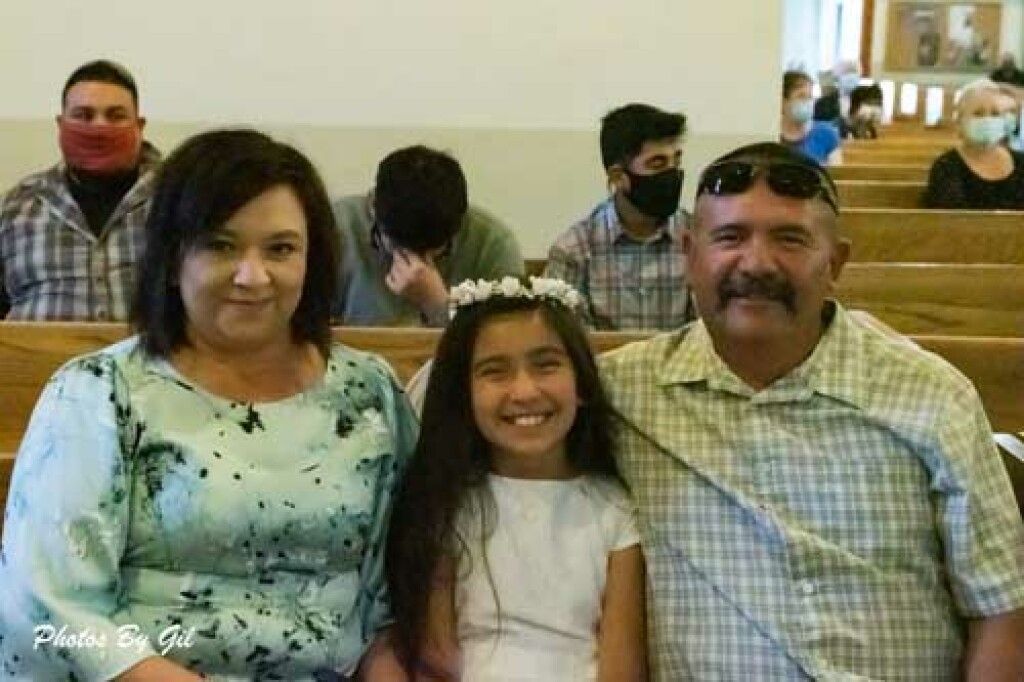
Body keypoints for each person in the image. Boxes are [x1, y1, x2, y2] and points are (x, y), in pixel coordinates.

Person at [0, 130, 418, 681]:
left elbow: (400, 590)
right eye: (220, 245)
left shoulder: (370, 394)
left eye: (281, 248)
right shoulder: (99, 393)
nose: (252, 275)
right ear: (172, 257)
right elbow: (49, 609)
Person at [600, 142, 1024, 680]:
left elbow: (1000, 610)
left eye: (790, 240)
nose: (755, 264)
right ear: (689, 256)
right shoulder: (623, 393)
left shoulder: (931, 396)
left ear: (836, 263)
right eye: (729, 237)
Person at [385, 276, 646, 681]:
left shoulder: (614, 509)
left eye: (546, 365)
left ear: (581, 383)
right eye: (495, 371)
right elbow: (436, 658)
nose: (524, 391)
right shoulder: (448, 503)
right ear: (464, 392)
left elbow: (622, 668)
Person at [0, 59, 160, 320]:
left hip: (151, 360)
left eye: (115, 116)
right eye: (83, 115)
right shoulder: (15, 206)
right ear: (60, 124)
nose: (99, 127)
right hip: (36, 360)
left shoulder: (181, 198)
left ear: (139, 126)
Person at [332, 146, 524, 327]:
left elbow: (507, 341)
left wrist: (439, 306)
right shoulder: (334, 227)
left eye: (432, 253)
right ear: (373, 207)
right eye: (399, 249)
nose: (414, 268)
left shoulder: (494, 245)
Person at [544, 103, 693, 330]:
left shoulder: (698, 239)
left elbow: (710, 341)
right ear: (618, 177)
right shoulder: (573, 252)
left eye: (676, 161)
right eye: (658, 163)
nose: (672, 172)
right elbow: (572, 347)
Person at [924, 82, 1024, 209]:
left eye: (995, 114)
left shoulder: (1021, 162)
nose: (988, 120)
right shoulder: (946, 167)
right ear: (960, 122)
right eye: (978, 113)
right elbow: (948, 220)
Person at [780, 71, 843, 165]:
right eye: (801, 96)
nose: (807, 102)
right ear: (783, 102)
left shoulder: (826, 133)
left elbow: (837, 175)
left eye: (810, 97)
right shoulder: (771, 136)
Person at [813, 59, 861, 125]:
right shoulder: (823, 103)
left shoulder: (864, 100)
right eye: (847, 73)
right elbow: (818, 128)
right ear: (837, 78)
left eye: (854, 73)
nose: (851, 77)